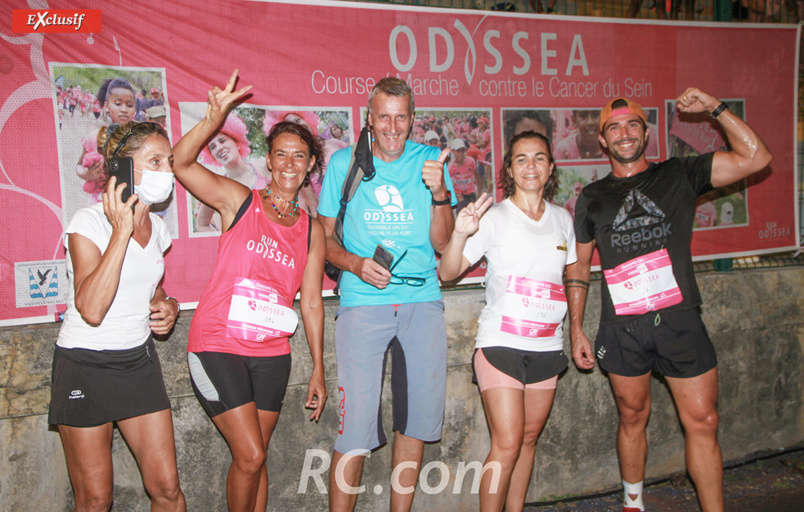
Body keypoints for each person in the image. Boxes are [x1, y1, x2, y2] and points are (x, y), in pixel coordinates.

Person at [568, 90, 772, 512]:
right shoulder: (591, 197)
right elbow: (578, 267)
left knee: (704, 421)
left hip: (679, 320)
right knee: (631, 416)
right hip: (622, 327)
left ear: (646, 132)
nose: (624, 134)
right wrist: (575, 328)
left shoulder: (679, 173)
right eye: (614, 128)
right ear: (602, 140)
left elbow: (756, 158)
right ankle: (633, 504)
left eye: (632, 125)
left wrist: (715, 108)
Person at [171, 70, 327, 512]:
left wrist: (318, 368)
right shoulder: (240, 201)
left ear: (311, 164)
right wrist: (210, 120)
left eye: (300, 157)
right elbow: (180, 163)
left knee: (256, 460)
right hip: (218, 344)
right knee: (251, 454)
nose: (290, 165)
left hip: (273, 355)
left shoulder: (311, 231)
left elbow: (311, 302)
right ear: (269, 160)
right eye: (281, 155)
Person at [317, 77, 456, 512]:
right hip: (362, 303)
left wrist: (439, 192)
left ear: (412, 119)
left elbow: (442, 243)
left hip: (422, 302)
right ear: (369, 119)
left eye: (401, 117)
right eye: (384, 117)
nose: (393, 127)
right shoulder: (344, 163)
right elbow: (322, 241)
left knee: (414, 423)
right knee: (355, 428)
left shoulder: (432, 160)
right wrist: (357, 264)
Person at [48, 121, 185, 511]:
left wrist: (168, 304)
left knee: (168, 491)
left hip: (137, 363)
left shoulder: (158, 227)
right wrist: (120, 231)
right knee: (95, 500)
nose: (167, 172)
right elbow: (91, 308)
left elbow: (149, 288)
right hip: (85, 363)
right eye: (155, 161)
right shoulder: (87, 224)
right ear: (122, 168)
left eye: (169, 162)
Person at [440, 131, 579, 512]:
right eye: (521, 159)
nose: (530, 166)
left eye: (538, 158)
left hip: (547, 346)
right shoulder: (494, 218)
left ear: (550, 167)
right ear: (510, 170)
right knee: (508, 441)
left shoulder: (564, 220)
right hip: (500, 344)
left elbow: (568, 278)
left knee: (529, 439)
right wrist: (458, 234)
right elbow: (447, 272)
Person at [194, 112, 270, 232]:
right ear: (212, 156)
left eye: (222, 141)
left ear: (238, 143)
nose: (219, 147)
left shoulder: (263, 167)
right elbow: (202, 224)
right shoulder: (216, 186)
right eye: (212, 147)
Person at [448, 138, 482, 214]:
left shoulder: (471, 162)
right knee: (461, 216)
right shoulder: (451, 168)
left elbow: (477, 176)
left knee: (474, 214)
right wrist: (454, 196)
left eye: (462, 150)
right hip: (460, 197)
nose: (460, 153)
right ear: (453, 151)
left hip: (471, 195)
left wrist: (479, 191)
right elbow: (447, 184)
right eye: (458, 151)